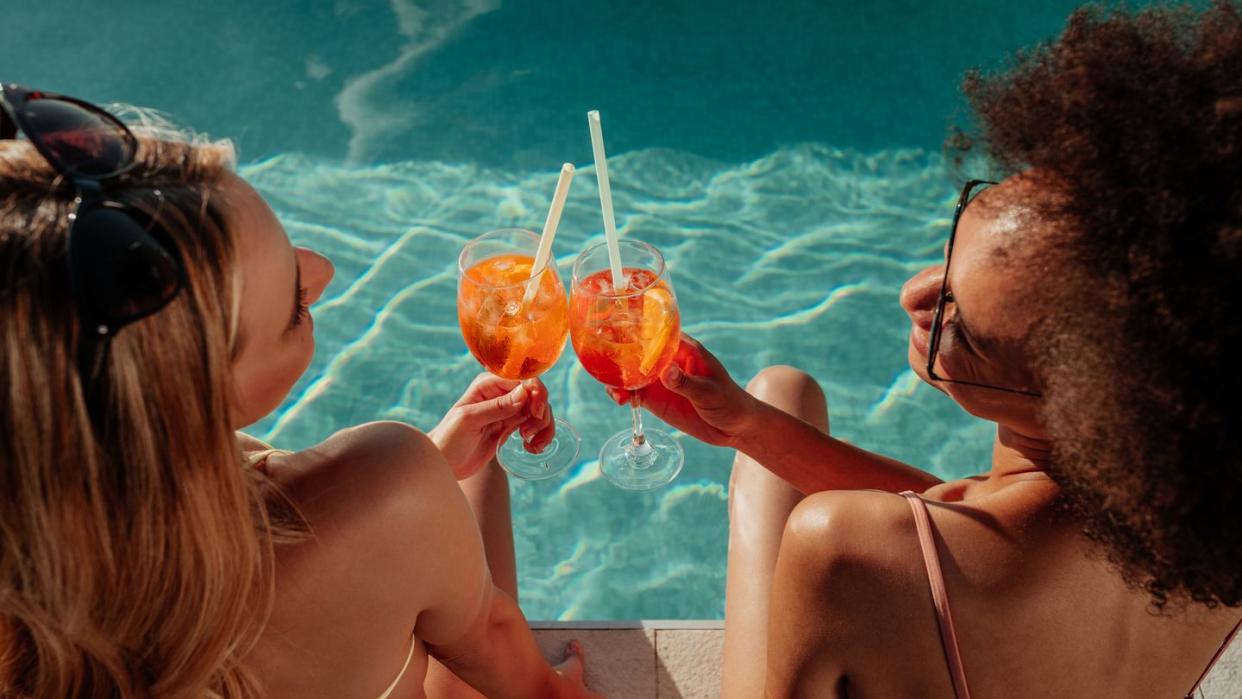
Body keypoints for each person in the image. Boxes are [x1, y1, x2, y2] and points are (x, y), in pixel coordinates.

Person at [611, 2, 1242, 696]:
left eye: (958, 324)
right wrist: (751, 428)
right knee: (776, 399)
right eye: (951, 247)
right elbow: (971, 521)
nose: (914, 293)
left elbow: (924, 545)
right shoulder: (1202, 518)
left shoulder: (845, 548)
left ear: (1080, 393)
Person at [0, 87, 596, 697]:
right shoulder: (388, 475)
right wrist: (403, 488)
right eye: (292, 303)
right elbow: (500, 654)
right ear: (186, 399)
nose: (322, 271)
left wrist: (421, 477)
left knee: (472, 468)